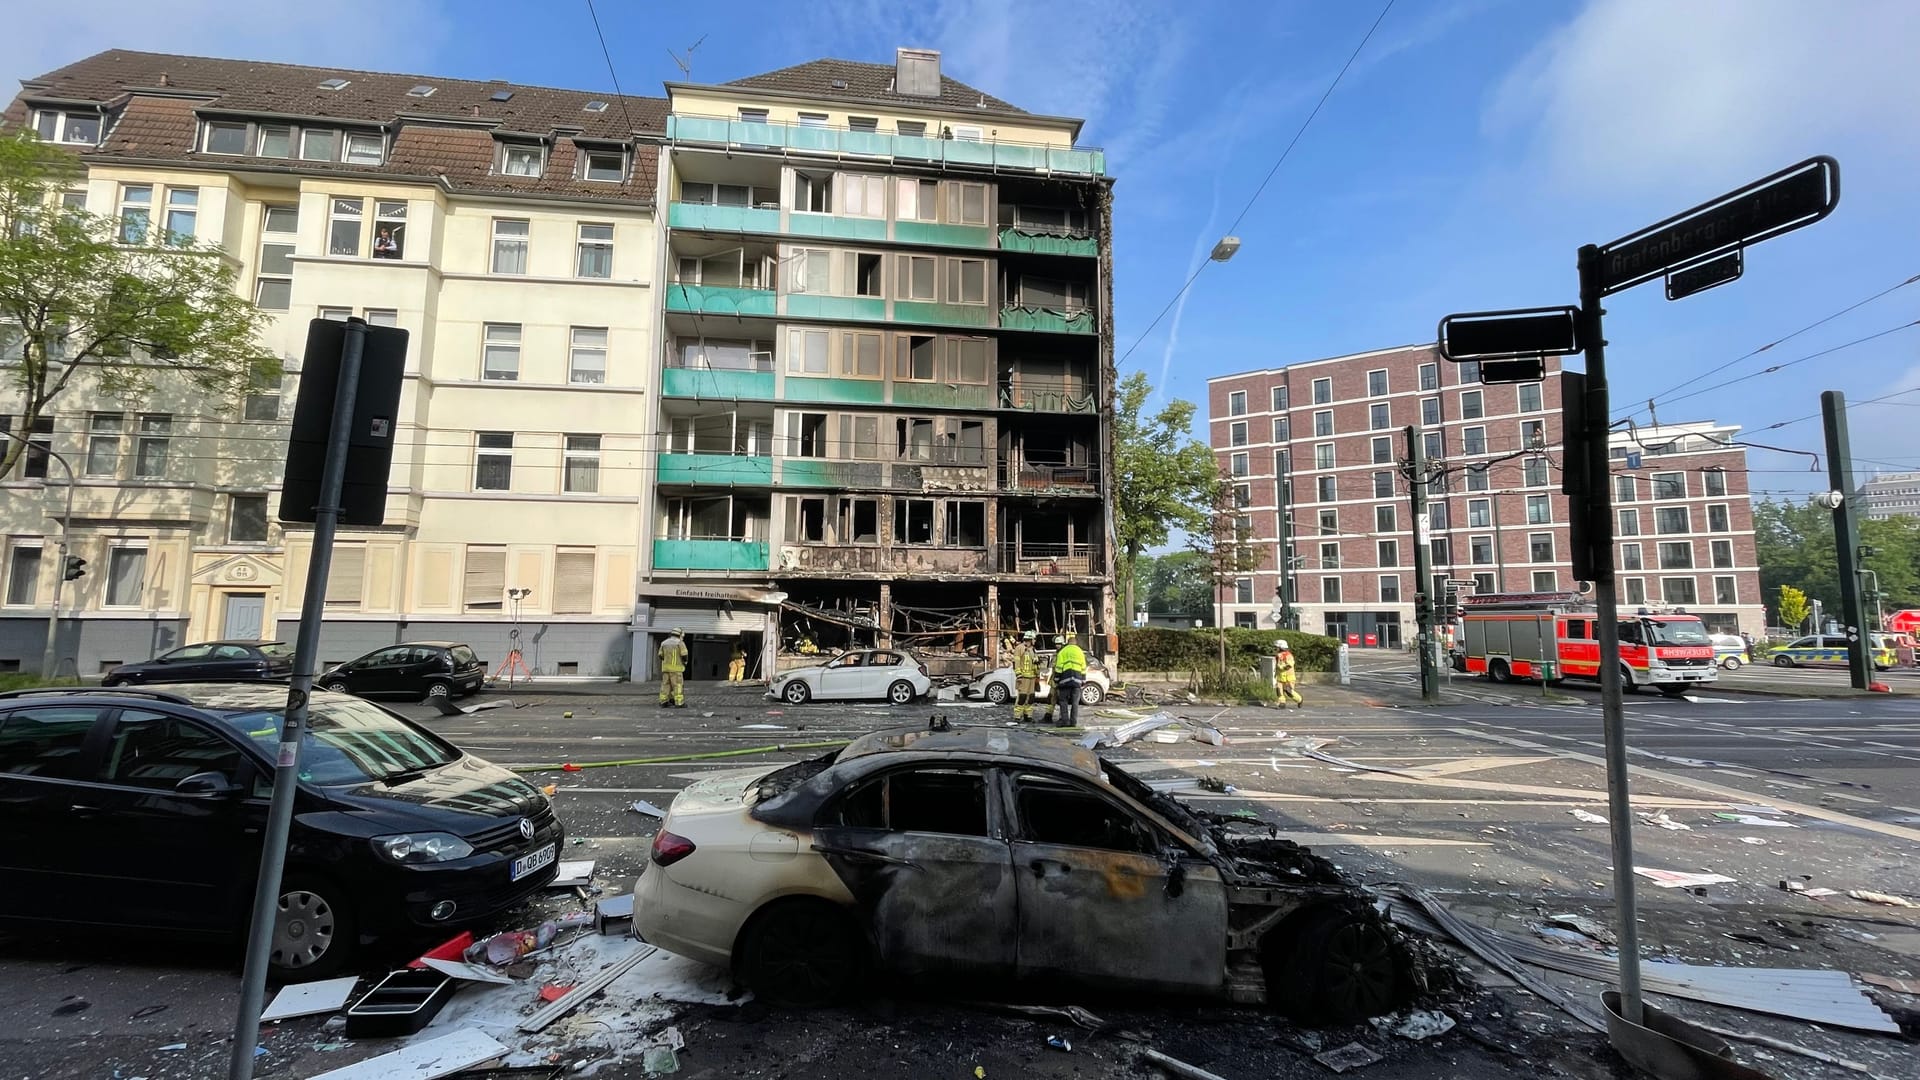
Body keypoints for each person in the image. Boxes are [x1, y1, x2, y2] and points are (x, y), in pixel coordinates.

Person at [1043, 635, 1088, 726]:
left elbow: (1059, 667)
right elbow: (1083, 667)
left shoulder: (1063, 652)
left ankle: (1064, 721)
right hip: (1077, 681)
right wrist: (1083, 679)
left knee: (1063, 701)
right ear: (1076, 643)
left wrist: (1056, 679)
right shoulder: (1080, 652)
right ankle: (1073, 722)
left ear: (1067, 643)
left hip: (1065, 680)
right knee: (1075, 703)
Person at [1011, 630, 1039, 722]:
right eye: (1034, 639)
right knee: (1022, 697)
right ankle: (1017, 716)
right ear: (1030, 639)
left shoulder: (1033, 650)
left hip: (1032, 677)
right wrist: (1018, 675)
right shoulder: (1020, 648)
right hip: (1023, 677)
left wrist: (1037, 676)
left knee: (1030, 698)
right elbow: (1016, 662)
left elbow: (1036, 664)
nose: (1035, 641)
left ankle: (1028, 715)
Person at [658, 628, 689, 708]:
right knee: (677, 685)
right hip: (676, 669)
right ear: (680, 634)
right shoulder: (679, 643)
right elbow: (684, 654)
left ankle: (663, 701)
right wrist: (685, 662)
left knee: (665, 685)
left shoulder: (664, 643)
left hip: (666, 668)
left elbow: (660, 655)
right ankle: (679, 702)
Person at [1274, 640, 1303, 709]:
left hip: (1288, 678)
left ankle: (1299, 700)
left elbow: (1290, 664)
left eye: (1277, 647)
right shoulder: (1279, 655)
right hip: (1280, 677)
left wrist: (1282, 667)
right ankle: (1282, 703)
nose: (1276, 648)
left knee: (1288, 691)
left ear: (1281, 647)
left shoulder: (1288, 655)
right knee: (1279, 691)